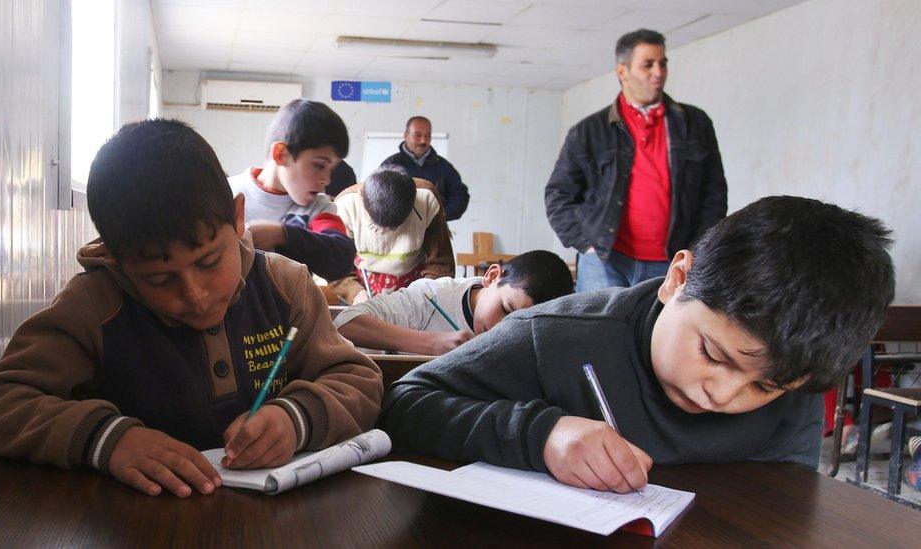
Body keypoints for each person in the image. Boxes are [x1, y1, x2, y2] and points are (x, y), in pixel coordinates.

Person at [0, 119, 383, 498]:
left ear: (238, 218)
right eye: (160, 279)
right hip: (134, 519)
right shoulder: (94, 305)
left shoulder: (285, 286)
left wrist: (296, 418)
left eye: (209, 262)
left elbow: (358, 378)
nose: (196, 294)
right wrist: (109, 441)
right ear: (118, 259)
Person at [380, 196, 895, 494]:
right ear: (677, 279)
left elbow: (784, 498)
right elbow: (404, 404)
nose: (723, 393)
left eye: (763, 386)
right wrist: (541, 434)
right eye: (713, 355)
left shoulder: (790, 372)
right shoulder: (554, 334)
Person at [545, 29, 727, 292]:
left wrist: (698, 247)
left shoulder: (695, 124)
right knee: (599, 331)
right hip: (605, 261)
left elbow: (714, 195)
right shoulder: (588, 132)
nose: (659, 72)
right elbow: (558, 195)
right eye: (648, 65)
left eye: (663, 63)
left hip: (672, 262)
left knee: (659, 333)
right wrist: (587, 244)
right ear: (623, 71)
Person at [335, 250, 574, 356]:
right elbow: (347, 323)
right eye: (505, 309)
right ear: (492, 277)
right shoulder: (433, 295)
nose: (504, 328)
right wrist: (431, 343)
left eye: (518, 324)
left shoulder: (535, 334)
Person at [229, 99, 355, 281]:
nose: (326, 180)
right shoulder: (228, 193)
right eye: (319, 166)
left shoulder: (318, 208)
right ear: (280, 154)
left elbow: (341, 257)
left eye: (331, 169)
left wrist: (282, 234)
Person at [329, 166, 455, 305]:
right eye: (376, 227)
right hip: (361, 289)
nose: (384, 233)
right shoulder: (345, 206)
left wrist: (423, 298)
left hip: (414, 291)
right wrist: (356, 294)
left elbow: (440, 263)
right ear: (361, 196)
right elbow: (334, 267)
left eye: (396, 228)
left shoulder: (426, 199)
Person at [380, 116, 470, 221]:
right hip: (398, 230)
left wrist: (442, 216)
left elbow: (460, 195)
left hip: (434, 231)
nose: (423, 141)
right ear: (406, 136)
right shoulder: (391, 165)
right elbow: (377, 197)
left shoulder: (443, 166)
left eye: (428, 136)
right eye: (417, 135)